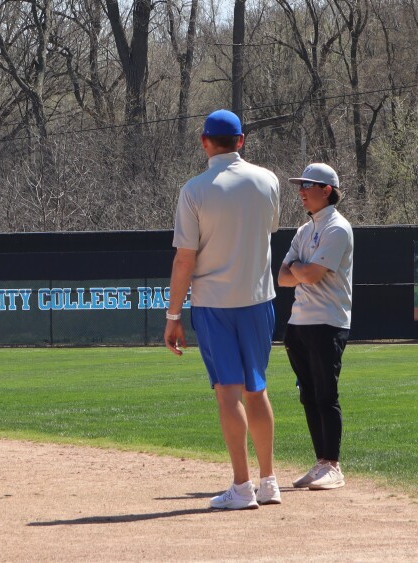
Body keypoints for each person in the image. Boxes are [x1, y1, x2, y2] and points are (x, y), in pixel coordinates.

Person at [164, 110, 282, 510]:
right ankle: (269, 482)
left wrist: (173, 316)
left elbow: (185, 259)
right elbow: (269, 230)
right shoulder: (268, 180)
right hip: (258, 299)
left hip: (214, 303)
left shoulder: (194, 190)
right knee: (257, 389)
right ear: (241, 141)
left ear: (204, 142)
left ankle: (242, 487)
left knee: (228, 392)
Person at [277, 163, 353, 491]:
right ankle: (321, 462)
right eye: (300, 185)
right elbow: (282, 278)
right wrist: (299, 269)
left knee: (326, 395)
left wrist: (298, 267)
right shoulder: (304, 230)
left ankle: (333, 465)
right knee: (308, 396)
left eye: (307, 185)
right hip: (299, 323)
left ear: (327, 190)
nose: (301, 192)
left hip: (328, 322)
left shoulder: (338, 227)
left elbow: (309, 275)